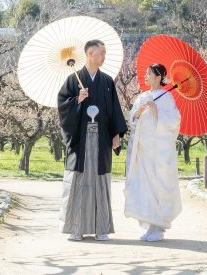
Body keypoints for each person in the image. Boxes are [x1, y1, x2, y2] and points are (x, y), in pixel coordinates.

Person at [57, 38, 128, 241]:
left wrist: (116, 134)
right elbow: (62, 106)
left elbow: (114, 110)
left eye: (104, 53)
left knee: (99, 181)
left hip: (101, 140)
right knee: (78, 181)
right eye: (102, 52)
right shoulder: (73, 80)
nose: (104, 56)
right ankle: (75, 228)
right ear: (90, 54)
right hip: (81, 139)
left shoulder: (107, 81)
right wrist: (76, 100)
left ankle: (101, 227)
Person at [123, 63, 182, 242]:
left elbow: (174, 122)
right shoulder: (143, 96)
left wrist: (157, 112)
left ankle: (159, 227)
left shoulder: (167, 98)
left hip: (159, 152)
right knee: (144, 185)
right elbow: (132, 121)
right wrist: (138, 112)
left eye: (149, 74)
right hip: (143, 150)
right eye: (146, 73)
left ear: (159, 77)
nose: (146, 76)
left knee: (158, 185)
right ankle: (150, 224)